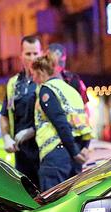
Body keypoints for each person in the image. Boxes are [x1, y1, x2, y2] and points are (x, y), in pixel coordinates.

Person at [31, 54, 89, 191]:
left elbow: (60, 122)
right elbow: (84, 122)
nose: (33, 78)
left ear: (41, 72)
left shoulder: (47, 90)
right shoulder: (70, 91)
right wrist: (84, 147)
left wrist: (74, 152)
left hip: (55, 155)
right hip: (74, 156)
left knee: (53, 204)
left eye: (34, 74)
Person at [0, 35, 42, 189]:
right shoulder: (13, 83)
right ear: (21, 56)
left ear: (41, 54)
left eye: (35, 53)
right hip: (22, 154)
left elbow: (54, 117)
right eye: (28, 54)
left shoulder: (47, 81)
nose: (32, 58)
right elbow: (4, 114)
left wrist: (32, 131)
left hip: (44, 152)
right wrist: (6, 137)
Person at [48, 43, 93, 174]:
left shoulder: (74, 80)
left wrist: (86, 145)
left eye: (58, 59)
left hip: (74, 143)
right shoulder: (43, 82)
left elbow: (85, 113)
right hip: (54, 147)